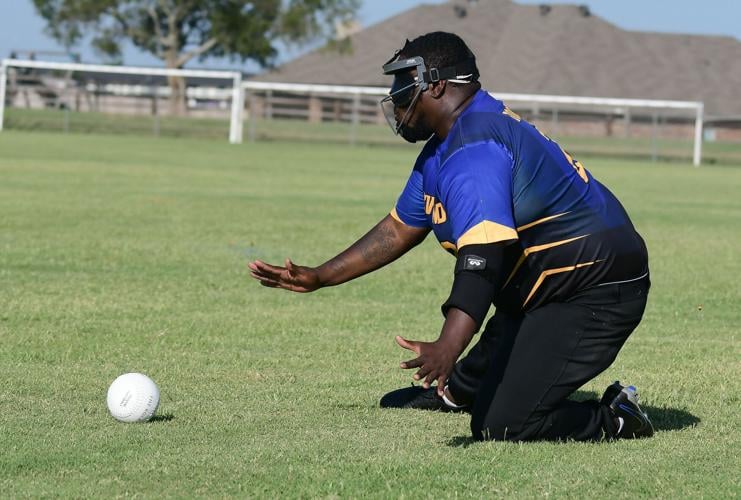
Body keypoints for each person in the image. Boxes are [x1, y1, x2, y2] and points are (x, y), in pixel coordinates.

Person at [249, 31, 654, 442]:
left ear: (437, 84)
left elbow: (482, 259)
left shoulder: (474, 147)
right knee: (475, 381)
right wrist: (321, 276)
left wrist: (447, 346)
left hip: (595, 292)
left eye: (404, 82)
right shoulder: (445, 146)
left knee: (503, 425)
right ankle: (458, 391)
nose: (396, 94)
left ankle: (617, 416)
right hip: (546, 286)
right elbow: (399, 227)